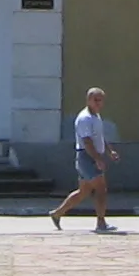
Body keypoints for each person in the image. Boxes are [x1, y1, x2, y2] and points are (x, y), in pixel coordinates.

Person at [51, 86, 121, 232]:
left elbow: (99, 137)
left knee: (83, 192)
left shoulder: (96, 116)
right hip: (86, 157)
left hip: (91, 156)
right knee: (101, 189)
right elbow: (87, 142)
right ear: (88, 100)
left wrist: (109, 151)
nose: (98, 103)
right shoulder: (84, 118)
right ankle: (101, 223)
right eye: (95, 100)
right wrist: (97, 159)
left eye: (101, 100)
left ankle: (57, 213)